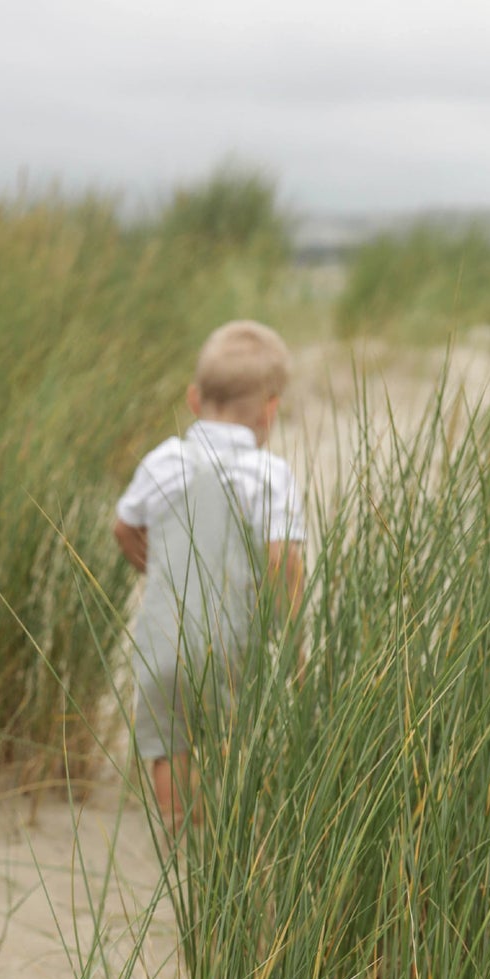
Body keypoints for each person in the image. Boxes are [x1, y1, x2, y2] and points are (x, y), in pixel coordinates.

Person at [113, 319, 306, 831]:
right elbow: (283, 559)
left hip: (159, 635)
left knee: (167, 738)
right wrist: (292, 635)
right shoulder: (268, 474)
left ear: (194, 399)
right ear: (271, 408)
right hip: (228, 638)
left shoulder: (164, 459)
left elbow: (124, 523)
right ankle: (220, 829)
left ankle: (178, 824)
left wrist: (148, 563)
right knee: (226, 734)